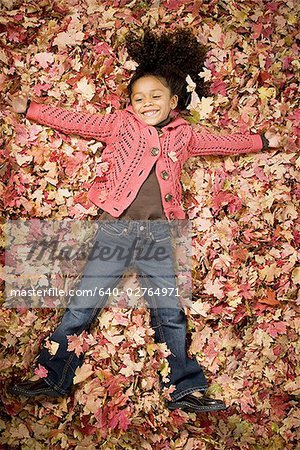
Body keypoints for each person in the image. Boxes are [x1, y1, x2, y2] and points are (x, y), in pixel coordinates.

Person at [7, 28, 280, 413]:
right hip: (116, 230)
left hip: (159, 234)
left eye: (156, 96)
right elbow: (75, 120)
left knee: (169, 312)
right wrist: (31, 108)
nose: (147, 103)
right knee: (82, 305)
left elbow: (223, 141)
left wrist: (261, 141)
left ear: (173, 101)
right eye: (139, 98)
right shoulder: (120, 125)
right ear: (130, 104)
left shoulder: (184, 135)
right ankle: (53, 375)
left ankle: (183, 387)